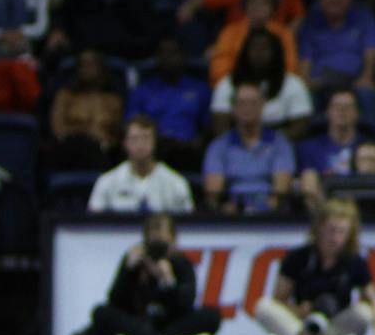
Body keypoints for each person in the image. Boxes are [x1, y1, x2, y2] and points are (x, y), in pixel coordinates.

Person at [254, 197, 375, 335]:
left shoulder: (355, 261)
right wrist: (298, 310)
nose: (335, 238)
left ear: (350, 234)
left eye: (342, 232)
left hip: (334, 325)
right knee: (263, 306)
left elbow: (372, 300)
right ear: (319, 228)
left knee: (364, 312)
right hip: (302, 323)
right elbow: (279, 299)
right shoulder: (298, 257)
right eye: (331, 230)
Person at [81, 213, 220, 335]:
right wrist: (128, 271)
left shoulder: (181, 263)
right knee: (101, 313)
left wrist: (168, 281)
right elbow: (114, 302)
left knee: (212, 316)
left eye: (162, 243)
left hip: (169, 325)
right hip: (139, 323)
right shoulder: (134, 261)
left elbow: (185, 306)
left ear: (173, 240)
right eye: (153, 243)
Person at [202, 83, 296, 213]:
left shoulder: (279, 143)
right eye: (242, 103)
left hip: (270, 213)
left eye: (253, 103)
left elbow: (281, 189)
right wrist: (226, 208)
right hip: (231, 214)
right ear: (233, 108)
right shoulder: (219, 146)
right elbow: (213, 191)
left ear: (262, 106)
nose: (247, 108)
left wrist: (263, 208)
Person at [210, 27, 315, 136]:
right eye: (254, 47)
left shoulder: (293, 84)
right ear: (245, 52)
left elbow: (300, 125)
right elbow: (220, 125)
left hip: (280, 141)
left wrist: (269, 143)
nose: (259, 53)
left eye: (265, 48)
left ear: (276, 52)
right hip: (235, 142)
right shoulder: (227, 84)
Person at [127, 38, 212, 167]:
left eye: (173, 53)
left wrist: (196, 142)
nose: (168, 58)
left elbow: (208, 126)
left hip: (189, 150)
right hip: (154, 150)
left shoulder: (199, 89)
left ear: (183, 56)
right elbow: (132, 124)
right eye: (164, 53)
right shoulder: (143, 91)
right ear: (157, 58)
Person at [88, 116, 195, 214]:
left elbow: (188, 223)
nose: (140, 144)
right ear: (125, 143)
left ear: (155, 142)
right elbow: (94, 222)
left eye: (146, 138)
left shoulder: (176, 183)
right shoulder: (107, 182)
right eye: (135, 139)